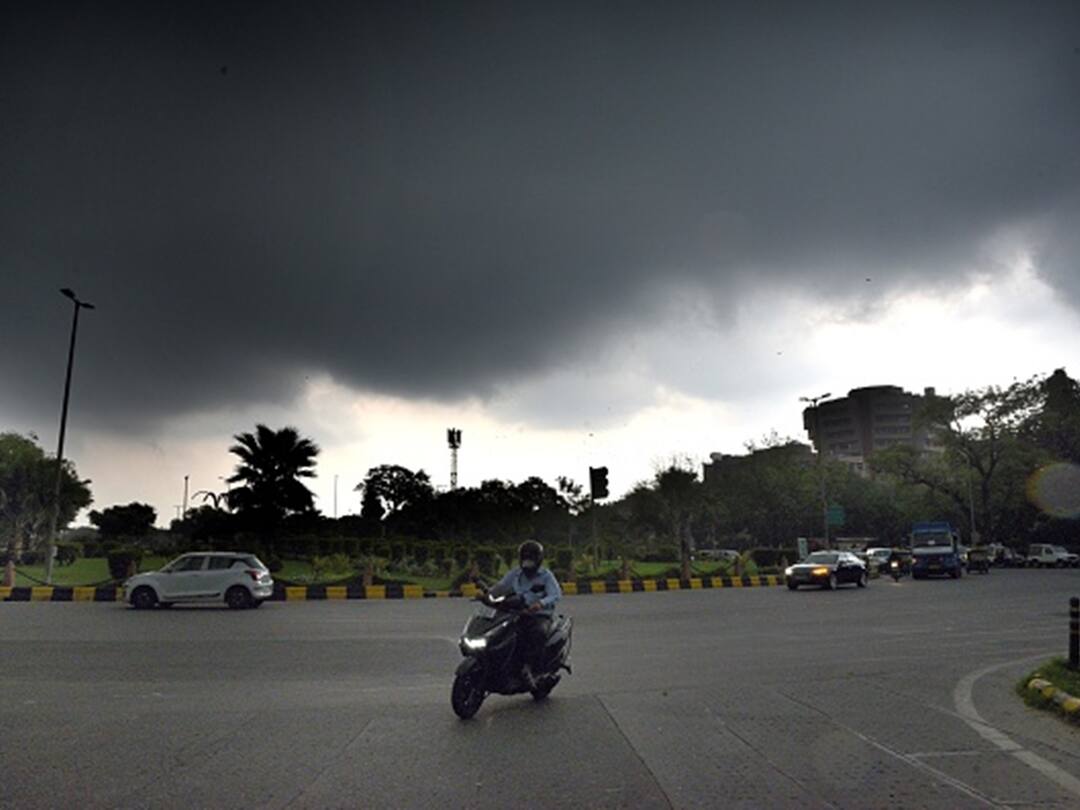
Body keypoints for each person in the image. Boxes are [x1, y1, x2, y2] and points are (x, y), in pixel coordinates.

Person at [491, 540, 561, 689]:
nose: (527, 564)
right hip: (517, 612)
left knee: (537, 633)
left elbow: (555, 594)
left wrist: (540, 604)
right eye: (525, 560)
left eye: (531, 560)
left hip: (539, 615)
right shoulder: (516, 573)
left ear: (538, 560)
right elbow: (501, 587)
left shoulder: (546, 576)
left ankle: (529, 667)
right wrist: (487, 595)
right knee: (502, 632)